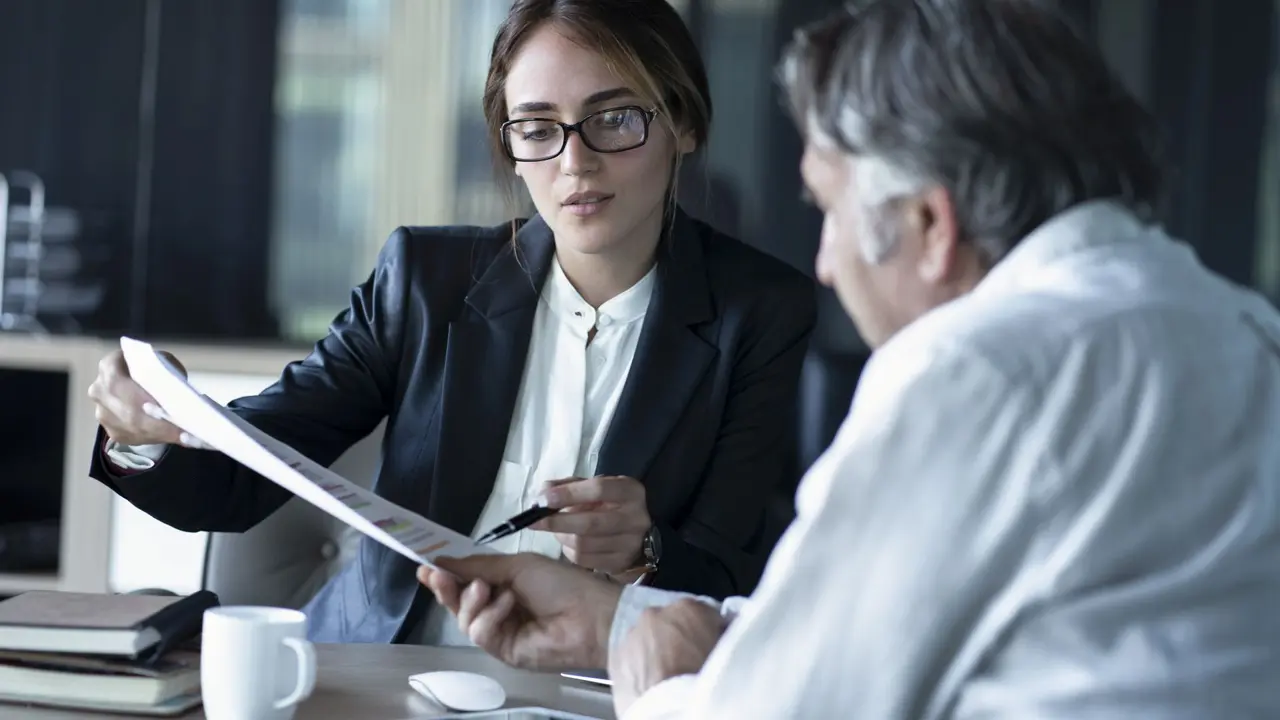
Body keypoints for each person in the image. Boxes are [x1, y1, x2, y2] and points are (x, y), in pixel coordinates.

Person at [417, 0, 1280, 717]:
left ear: (929, 228)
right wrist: (620, 620)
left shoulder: (976, 372)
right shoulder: (1233, 326)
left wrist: (660, 685)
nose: (825, 263)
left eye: (830, 209)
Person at [86, 0, 817, 646]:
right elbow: (239, 480)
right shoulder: (424, 281)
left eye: (614, 119)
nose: (575, 162)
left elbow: (735, 582)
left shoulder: (760, 313)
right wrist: (141, 433)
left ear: (682, 123)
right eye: (537, 128)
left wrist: (644, 551)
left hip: (599, 692)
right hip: (383, 674)